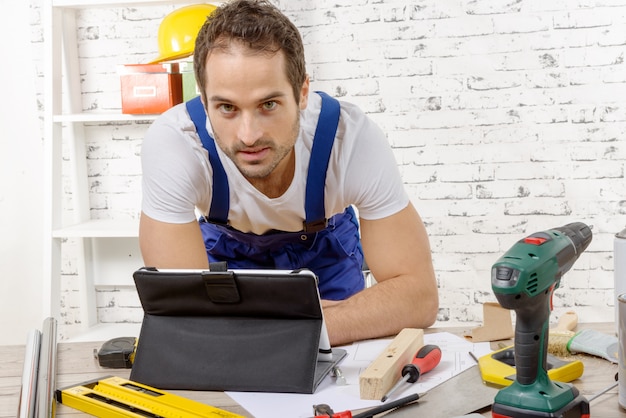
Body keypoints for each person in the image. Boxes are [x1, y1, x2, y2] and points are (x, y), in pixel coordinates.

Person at [139, 0, 438, 346]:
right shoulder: (176, 143)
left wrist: (298, 327)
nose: (248, 135)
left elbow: (419, 298)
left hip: (323, 253)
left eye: (268, 105)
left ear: (302, 93)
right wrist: (307, 326)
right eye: (226, 108)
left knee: (339, 367)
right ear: (204, 102)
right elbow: (185, 316)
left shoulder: (350, 139)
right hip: (227, 254)